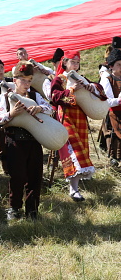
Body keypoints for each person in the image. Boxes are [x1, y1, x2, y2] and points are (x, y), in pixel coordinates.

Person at [0, 61, 51, 220]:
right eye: (23, 80)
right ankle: (14, 208)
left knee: (35, 176)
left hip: (34, 141)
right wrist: (11, 113)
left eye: (29, 80)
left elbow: (51, 109)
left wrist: (40, 108)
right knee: (17, 176)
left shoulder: (36, 95)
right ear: (15, 80)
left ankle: (32, 209)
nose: (27, 83)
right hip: (15, 142)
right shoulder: (6, 98)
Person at [51, 50, 102, 201]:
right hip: (66, 116)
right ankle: (73, 190)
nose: (75, 65)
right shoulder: (59, 79)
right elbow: (55, 97)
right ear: (65, 63)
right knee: (73, 150)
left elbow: (99, 88)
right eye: (72, 61)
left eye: (77, 62)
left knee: (81, 148)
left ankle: (75, 188)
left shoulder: (81, 78)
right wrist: (72, 90)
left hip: (80, 117)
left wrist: (92, 87)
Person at [99, 48, 121, 164]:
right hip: (114, 113)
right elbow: (107, 100)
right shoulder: (108, 79)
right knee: (115, 136)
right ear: (111, 66)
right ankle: (114, 160)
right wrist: (119, 101)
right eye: (119, 65)